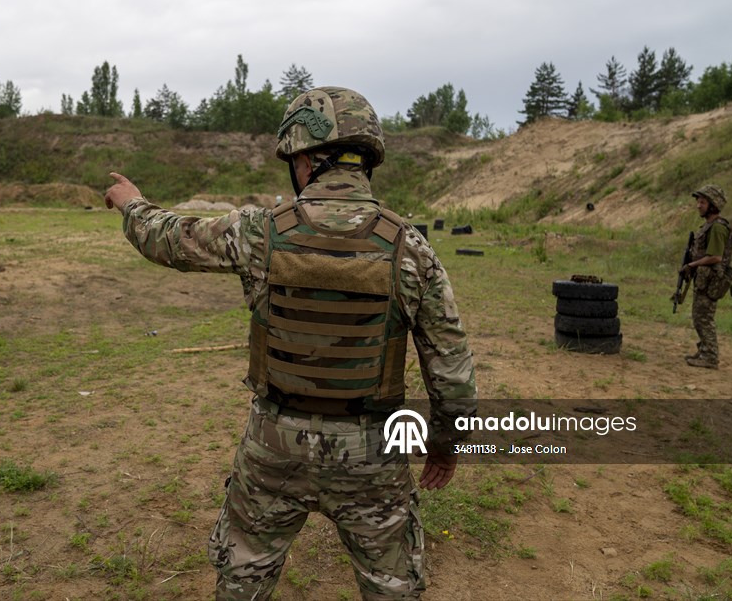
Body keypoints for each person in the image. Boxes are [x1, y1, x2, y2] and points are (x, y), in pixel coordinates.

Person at [105, 86, 476, 600]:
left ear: (302, 159)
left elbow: (167, 239)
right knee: (392, 587)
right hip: (371, 452)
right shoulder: (410, 248)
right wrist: (446, 445)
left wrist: (132, 204)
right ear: (366, 158)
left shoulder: (259, 232)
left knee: (244, 581)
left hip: (273, 447)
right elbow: (453, 374)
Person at [682, 184, 732, 369]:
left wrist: (692, 265)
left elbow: (716, 257)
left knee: (703, 318)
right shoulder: (709, 226)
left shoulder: (718, 228)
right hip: (704, 279)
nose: (698, 205)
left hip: (711, 280)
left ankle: (710, 357)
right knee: (699, 317)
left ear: (713, 205)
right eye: (698, 201)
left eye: (702, 202)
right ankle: (704, 350)